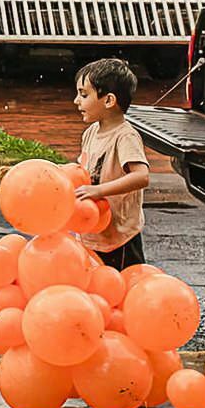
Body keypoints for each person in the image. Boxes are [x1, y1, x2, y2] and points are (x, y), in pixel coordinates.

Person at [71, 58, 152, 270]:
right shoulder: (90, 133)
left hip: (120, 238)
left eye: (84, 94)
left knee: (125, 290)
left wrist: (99, 191)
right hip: (93, 232)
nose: (76, 101)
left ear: (108, 101)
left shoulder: (125, 137)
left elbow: (141, 176)